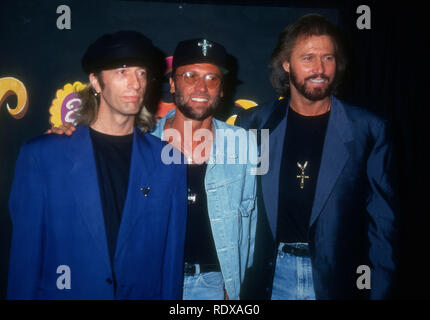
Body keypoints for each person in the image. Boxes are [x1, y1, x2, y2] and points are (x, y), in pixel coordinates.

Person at [50, 38, 258, 300]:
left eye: (212, 78)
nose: (201, 87)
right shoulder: (139, 144)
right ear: (172, 83)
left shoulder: (243, 145)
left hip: (215, 287)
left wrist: (232, 288)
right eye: (190, 75)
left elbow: (250, 230)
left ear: (222, 89)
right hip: (154, 283)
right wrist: (67, 135)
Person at [7, 30, 188, 299]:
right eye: (122, 72)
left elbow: (171, 262)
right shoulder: (43, 157)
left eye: (141, 73)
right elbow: (24, 260)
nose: (135, 84)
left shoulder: (169, 163)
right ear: (95, 81)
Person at [236, 14, 398, 300]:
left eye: (328, 58)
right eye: (308, 58)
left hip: (336, 282)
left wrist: (380, 291)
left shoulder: (368, 129)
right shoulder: (254, 124)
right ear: (286, 64)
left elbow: (383, 224)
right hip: (269, 280)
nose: (320, 69)